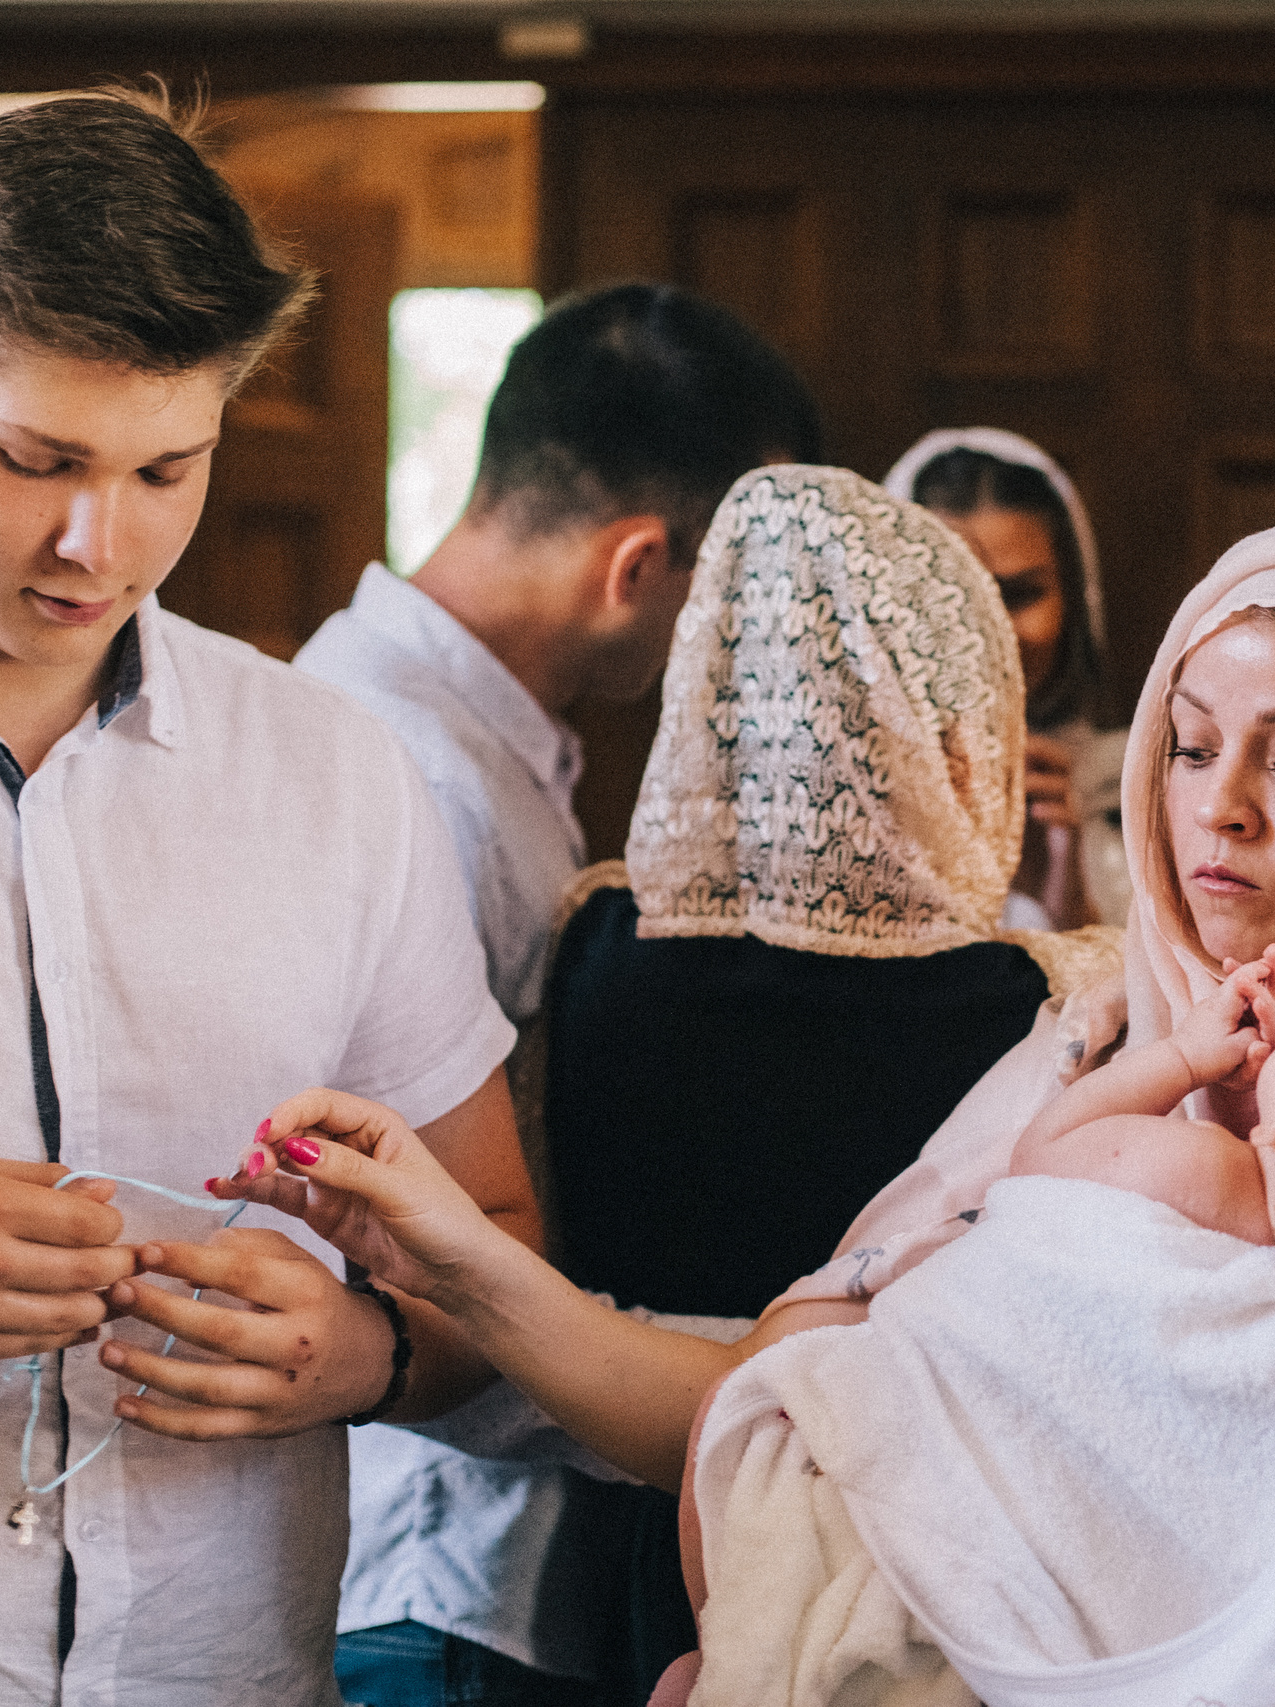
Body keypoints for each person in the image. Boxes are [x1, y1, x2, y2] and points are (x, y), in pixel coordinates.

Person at [220, 498, 1275, 1705]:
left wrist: (1161, 1275)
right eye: (1186, 744)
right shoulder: (1102, 1023)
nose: (1217, 804)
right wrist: (465, 1260)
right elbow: (817, 1382)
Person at [0, 91, 536, 1705]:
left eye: (166, 469)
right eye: (36, 461)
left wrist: (370, 1352)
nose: (99, 542)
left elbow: (494, 1245)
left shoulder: (337, 776)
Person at [264, 968, 1275, 1707]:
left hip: (870, 1517)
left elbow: (1051, 1158)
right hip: (989, 1609)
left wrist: (1176, 1055)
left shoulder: (1188, 1163)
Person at [290, 281, 822, 1707]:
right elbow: (384, 1240)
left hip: (494, 1563)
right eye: (727, 598)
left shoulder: (474, 744)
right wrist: (734, 1386)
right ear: (641, 564)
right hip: (435, 1565)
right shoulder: (410, 777)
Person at [886, 429, 1125, 930]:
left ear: (1076, 601)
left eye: (1018, 595)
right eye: (950, 598)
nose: (986, 633)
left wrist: (1066, 903)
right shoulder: (844, 794)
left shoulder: (1136, 789)